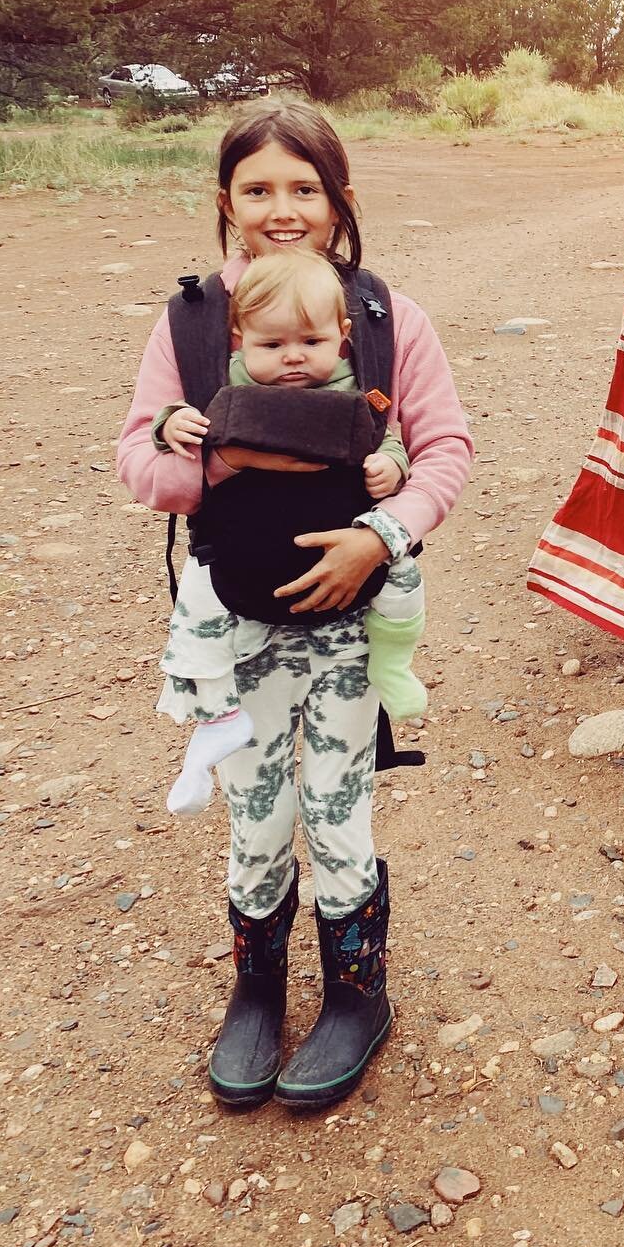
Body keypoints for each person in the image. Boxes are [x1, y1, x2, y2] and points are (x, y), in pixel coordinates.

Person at [117, 102, 473, 1110]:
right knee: (257, 813)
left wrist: (380, 536)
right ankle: (258, 991)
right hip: (239, 629)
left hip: (353, 629)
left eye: (304, 188)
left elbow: (443, 449)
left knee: (339, 808)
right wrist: (218, 461)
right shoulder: (192, 324)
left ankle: (359, 995)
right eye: (259, 189)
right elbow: (138, 460)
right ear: (225, 203)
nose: (283, 210)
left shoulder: (384, 319)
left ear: (339, 200)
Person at [155, 246, 430, 816]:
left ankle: (393, 662)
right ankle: (213, 713)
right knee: (198, 609)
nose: (293, 360)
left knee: (405, 581)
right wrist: (171, 423)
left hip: (352, 575)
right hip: (244, 561)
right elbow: (171, 428)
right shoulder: (225, 380)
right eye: (273, 346)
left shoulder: (362, 386)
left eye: (311, 343)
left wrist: (393, 466)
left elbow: (392, 434)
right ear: (239, 340)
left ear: (343, 335)